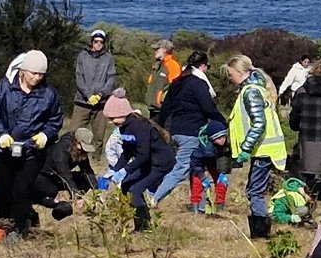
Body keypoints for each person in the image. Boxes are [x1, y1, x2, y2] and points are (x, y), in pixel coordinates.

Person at [0, 49, 63, 241]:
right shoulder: (3, 89)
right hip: (4, 151)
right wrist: (0, 134)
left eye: (41, 74)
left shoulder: (49, 94)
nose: (37, 77)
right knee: (4, 187)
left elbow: (55, 119)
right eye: (34, 73)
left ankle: (18, 229)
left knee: (23, 190)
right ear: (22, 71)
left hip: (33, 152)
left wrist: (45, 135)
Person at [148, 53, 226, 211]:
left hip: (175, 130)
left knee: (195, 167)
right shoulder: (199, 84)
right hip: (191, 132)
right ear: (202, 66)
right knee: (181, 169)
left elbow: (166, 107)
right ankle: (155, 198)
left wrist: (160, 127)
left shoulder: (178, 82)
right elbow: (208, 108)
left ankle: (200, 205)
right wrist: (222, 122)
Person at [222, 54, 288, 239]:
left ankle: (261, 232)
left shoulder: (250, 91)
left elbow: (259, 123)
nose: (229, 78)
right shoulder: (257, 89)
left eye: (230, 74)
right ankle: (261, 230)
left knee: (255, 192)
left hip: (263, 150)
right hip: (265, 149)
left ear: (238, 72)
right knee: (255, 190)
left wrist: (245, 149)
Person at [103, 94, 173, 230]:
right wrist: (115, 170)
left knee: (135, 190)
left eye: (113, 118)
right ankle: (137, 221)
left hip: (160, 163)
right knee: (125, 186)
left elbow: (143, 155)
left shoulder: (140, 127)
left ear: (123, 113)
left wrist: (125, 170)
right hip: (147, 162)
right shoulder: (124, 128)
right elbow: (127, 152)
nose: (111, 122)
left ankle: (143, 227)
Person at [289, 58, 321, 222]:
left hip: (307, 143)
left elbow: (293, 122)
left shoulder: (301, 92)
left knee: (305, 184)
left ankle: (304, 215)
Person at [73, 29, 119, 167]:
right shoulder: (82, 56)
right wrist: (88, 95)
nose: (98, 44)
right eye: (96, 41)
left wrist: (100, 94)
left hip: (101, 103)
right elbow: (78, 76)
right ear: (91, 42)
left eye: (101, 42)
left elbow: (111, 78)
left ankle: (96, 161)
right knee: (74, 132)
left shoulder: (108, 58)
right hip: (82, 101)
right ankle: (73, 158)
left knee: (98, 135)